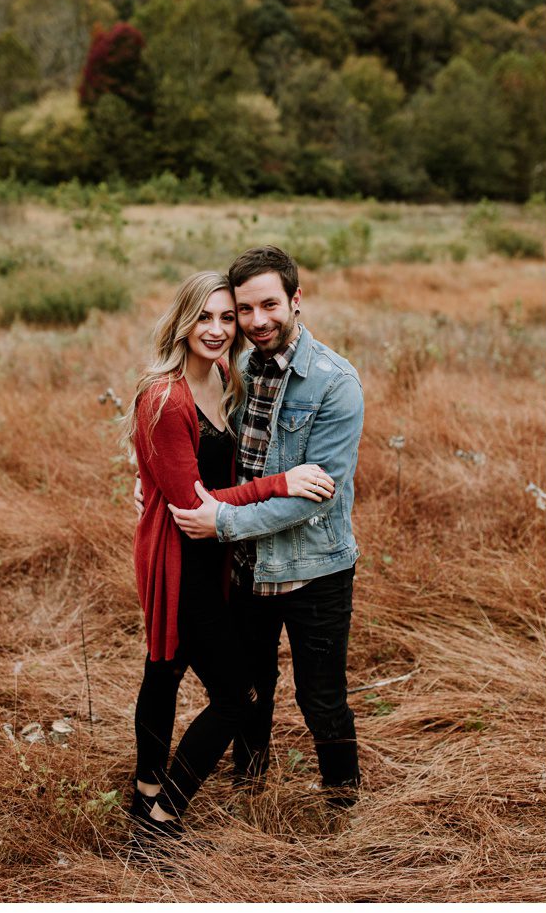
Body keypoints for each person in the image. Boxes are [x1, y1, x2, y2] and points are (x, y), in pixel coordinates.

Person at [127, 271, 335, 841]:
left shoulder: (223, 375)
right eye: (205, 317)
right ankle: (162, 817)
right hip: (180, 557)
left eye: (228, 317)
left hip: (212, 550)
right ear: (182, 321)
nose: (218, 330)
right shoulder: (166, 398)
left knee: (164, 670)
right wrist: (281, 483)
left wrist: (149, 477)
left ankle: (145, 793)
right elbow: (192, 503)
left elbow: (188, 478)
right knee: (236, 695)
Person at [163, 245, 366, 809]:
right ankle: (249, 787)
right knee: (252, 689)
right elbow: (211, 448)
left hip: (314, 570)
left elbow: (313, 499)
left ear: (296, 300)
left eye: (269, 306)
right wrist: (154, 482)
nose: (256, 322)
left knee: (320, 696)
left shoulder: (333, 383)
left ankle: (342, 804)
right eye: (244, 310)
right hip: (247, 566)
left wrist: (222, 521)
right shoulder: (240, 369)